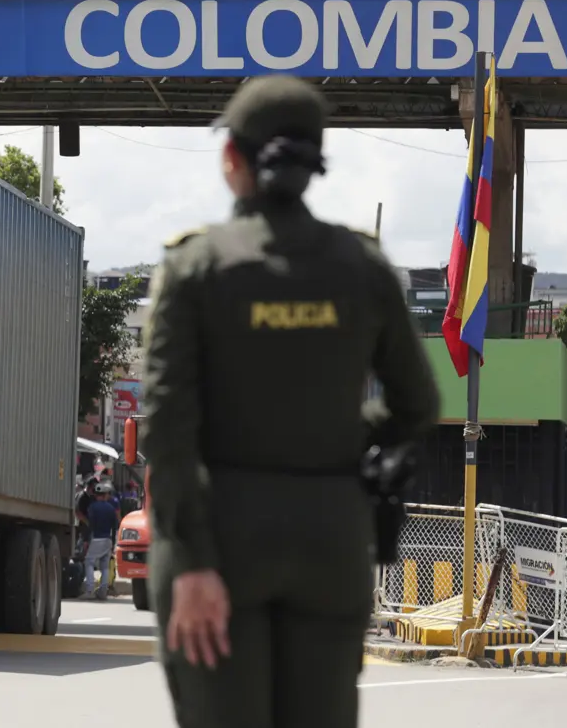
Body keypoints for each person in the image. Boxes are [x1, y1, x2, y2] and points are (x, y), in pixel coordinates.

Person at [139, 76, 440, 728]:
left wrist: (191, 563)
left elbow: (166, 423)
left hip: (219, 541)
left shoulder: (199, 266)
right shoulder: (361, 266)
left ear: (232, 160)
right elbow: (418, 403)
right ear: (313, 162)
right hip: (330, 541)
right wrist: (337, 431)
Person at [83, 483, 119, 600]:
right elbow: (115, 527)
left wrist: (86, 540)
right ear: (105, 495)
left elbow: (90, 525)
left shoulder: (92, 507)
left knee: (89, 562)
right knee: (105, 566)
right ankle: (103, 591)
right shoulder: (111, 509)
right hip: (107, 539)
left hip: (96, 538)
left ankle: (89, 589)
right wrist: (113, 542)